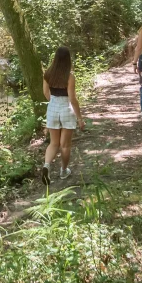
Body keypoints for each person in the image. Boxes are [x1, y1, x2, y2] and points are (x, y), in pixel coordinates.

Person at [42, 46, 85, 185]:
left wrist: (53, 102)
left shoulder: (48, 73)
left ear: (55, 58)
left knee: (53, 143)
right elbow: (72, 99)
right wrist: (79, 118)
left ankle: (46, 166)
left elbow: (46, 93)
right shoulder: (70, 76)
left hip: (52, 109)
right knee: (65, 145)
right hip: (66, 109)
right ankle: (63, 171)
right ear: (68, 59)